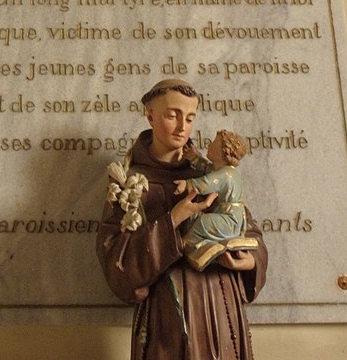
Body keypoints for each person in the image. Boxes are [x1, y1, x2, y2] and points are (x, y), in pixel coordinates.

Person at [96, 79, 267, 360]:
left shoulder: (209, 173)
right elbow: (115, 258)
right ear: (150, 115)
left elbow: (248, 229)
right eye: (172, 115)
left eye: (189, 118)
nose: (182, 127)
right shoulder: (128, 180)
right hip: (168, 314)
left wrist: (250, 261)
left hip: (220, 305)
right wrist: (173, 219)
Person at [174, 129, 259, 271]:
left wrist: (187, 184)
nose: (209, 145)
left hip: (230, 219)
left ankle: (188, 244)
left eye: (214, 144)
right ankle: (199, 246)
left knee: (204, 222)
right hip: (228, 216)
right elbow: (208, 169)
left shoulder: (226, 174)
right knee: (199, 219)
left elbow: (206, 183)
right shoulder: (222, 170)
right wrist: (195, 158)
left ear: (224, 153)